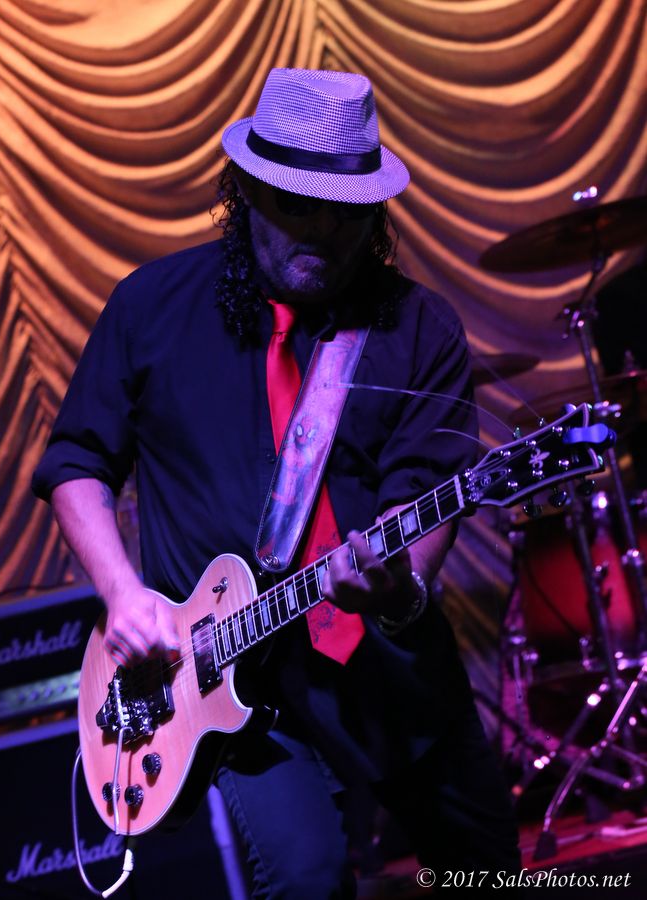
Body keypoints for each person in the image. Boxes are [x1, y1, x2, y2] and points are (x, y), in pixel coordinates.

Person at [33, 68, 520, 897]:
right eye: (298, 205)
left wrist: (396, 586)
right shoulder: (151, 308)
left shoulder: (419, 327)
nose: (322, 232)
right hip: (228, 685)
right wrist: (121, 594)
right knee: (307, 880)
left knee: (487, 872)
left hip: (389, 671)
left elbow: (425, 491)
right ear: (246, 193)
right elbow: (77, 461)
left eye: (346, 212)